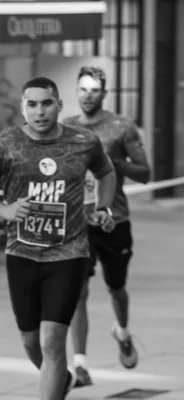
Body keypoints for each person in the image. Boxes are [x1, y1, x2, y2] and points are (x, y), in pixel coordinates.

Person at [0, 77, 116, 400]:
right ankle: (61, 381)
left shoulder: (84, 142)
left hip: (69, 253)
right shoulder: (6, 144)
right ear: (23, 108)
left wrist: (104, 206)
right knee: (31, 343)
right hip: (21, 253)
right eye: (31, 104)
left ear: (59, 105)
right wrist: (4, 211)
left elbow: (106, 172)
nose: (40, 111)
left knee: (51, 341)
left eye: (46, 103)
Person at [63, 66, 151, 386]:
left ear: (104, 93)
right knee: (78, 291)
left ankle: (123, 332)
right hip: (78, 222)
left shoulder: (121, 127)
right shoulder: (66, 129)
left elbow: (145, 173)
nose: (88, 95)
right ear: (76, 91)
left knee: (116, 288)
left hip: (115, 220)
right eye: (83, 89)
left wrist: (114, 163)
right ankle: (81, 365)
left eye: (95, 90)